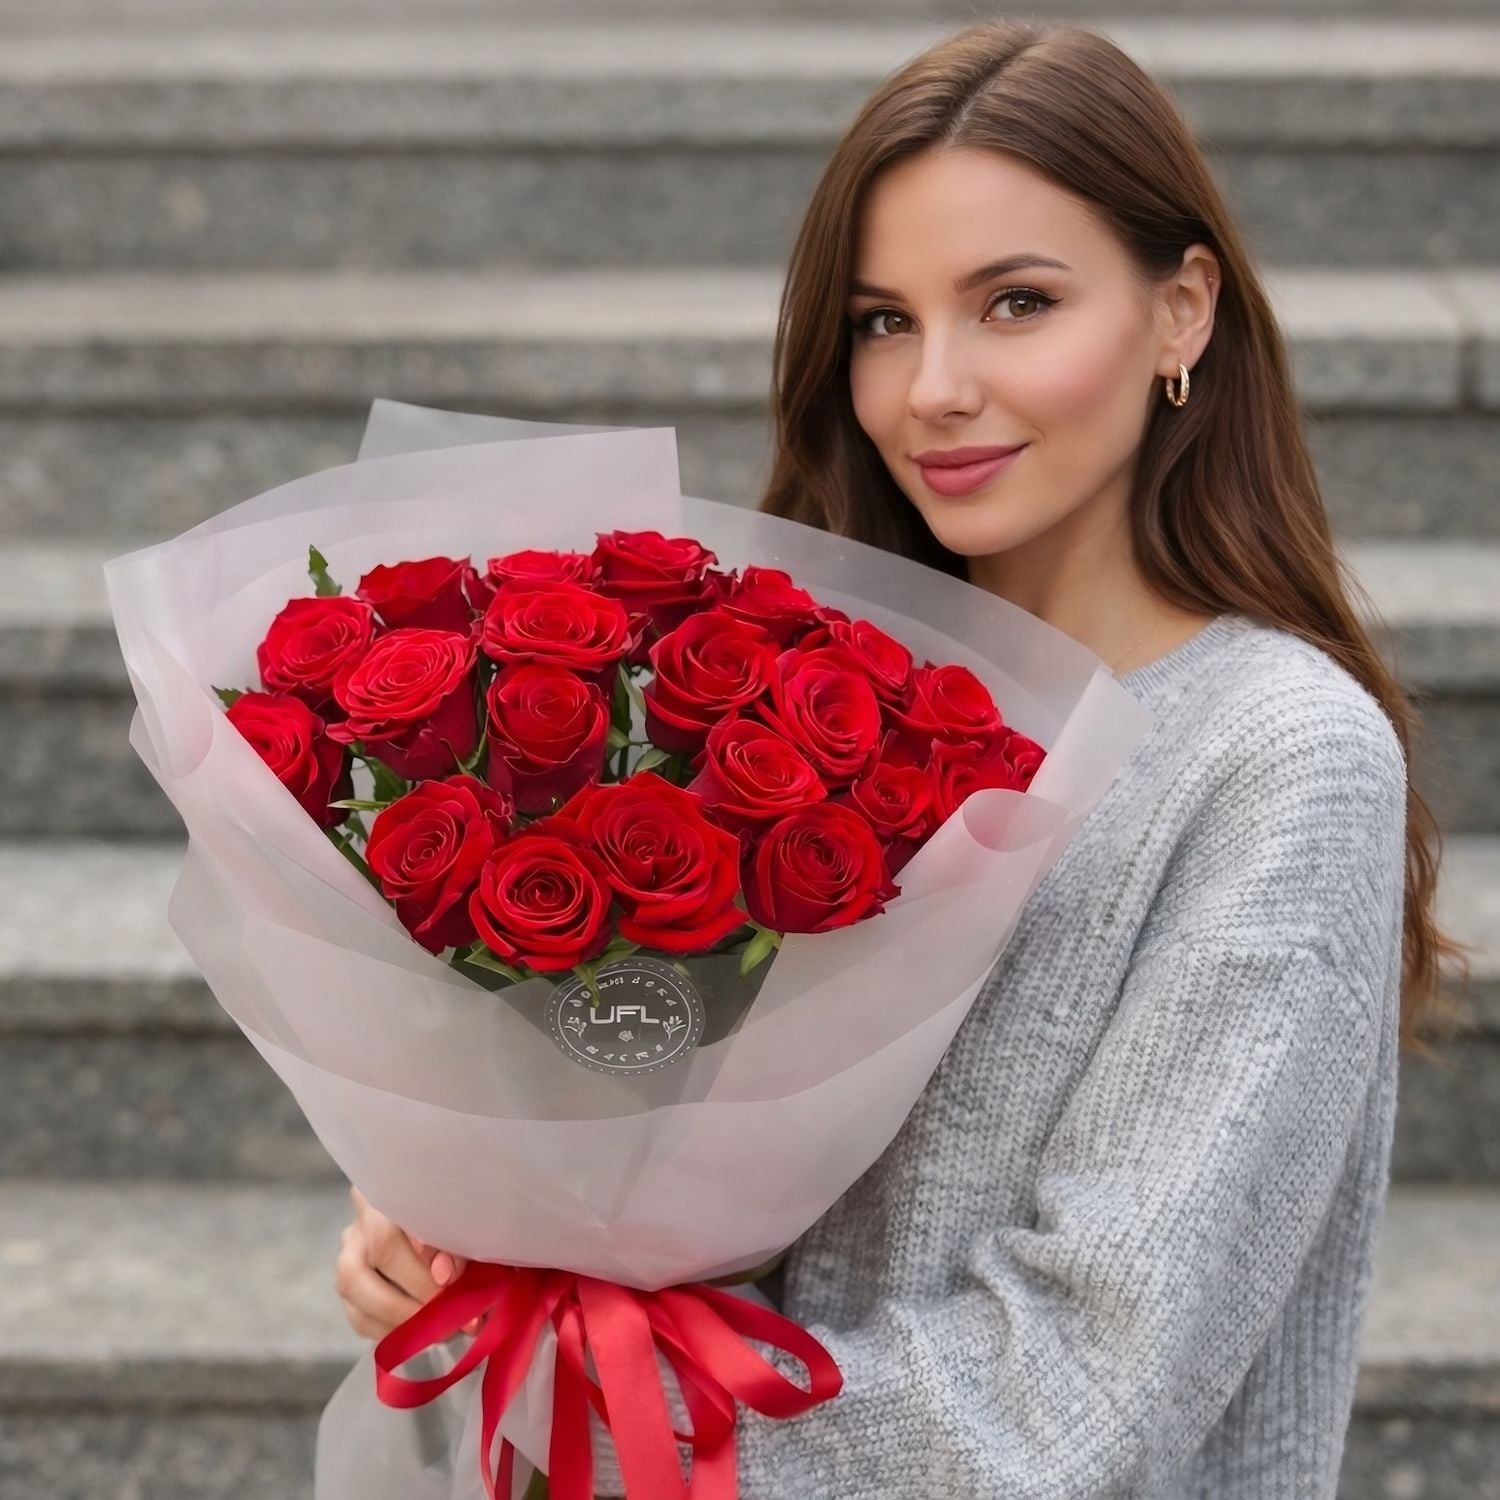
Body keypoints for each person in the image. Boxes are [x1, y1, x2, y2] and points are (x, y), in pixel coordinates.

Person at [335, 19, 1470, 1497]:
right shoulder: (776, 704)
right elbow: (659, 1200)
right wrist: (477, 1266)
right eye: (883, 321)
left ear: (1183, 310)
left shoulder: (1279, 757)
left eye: (1017, 303)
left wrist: (621, 1410)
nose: (934, 388)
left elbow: (1080, 1387)